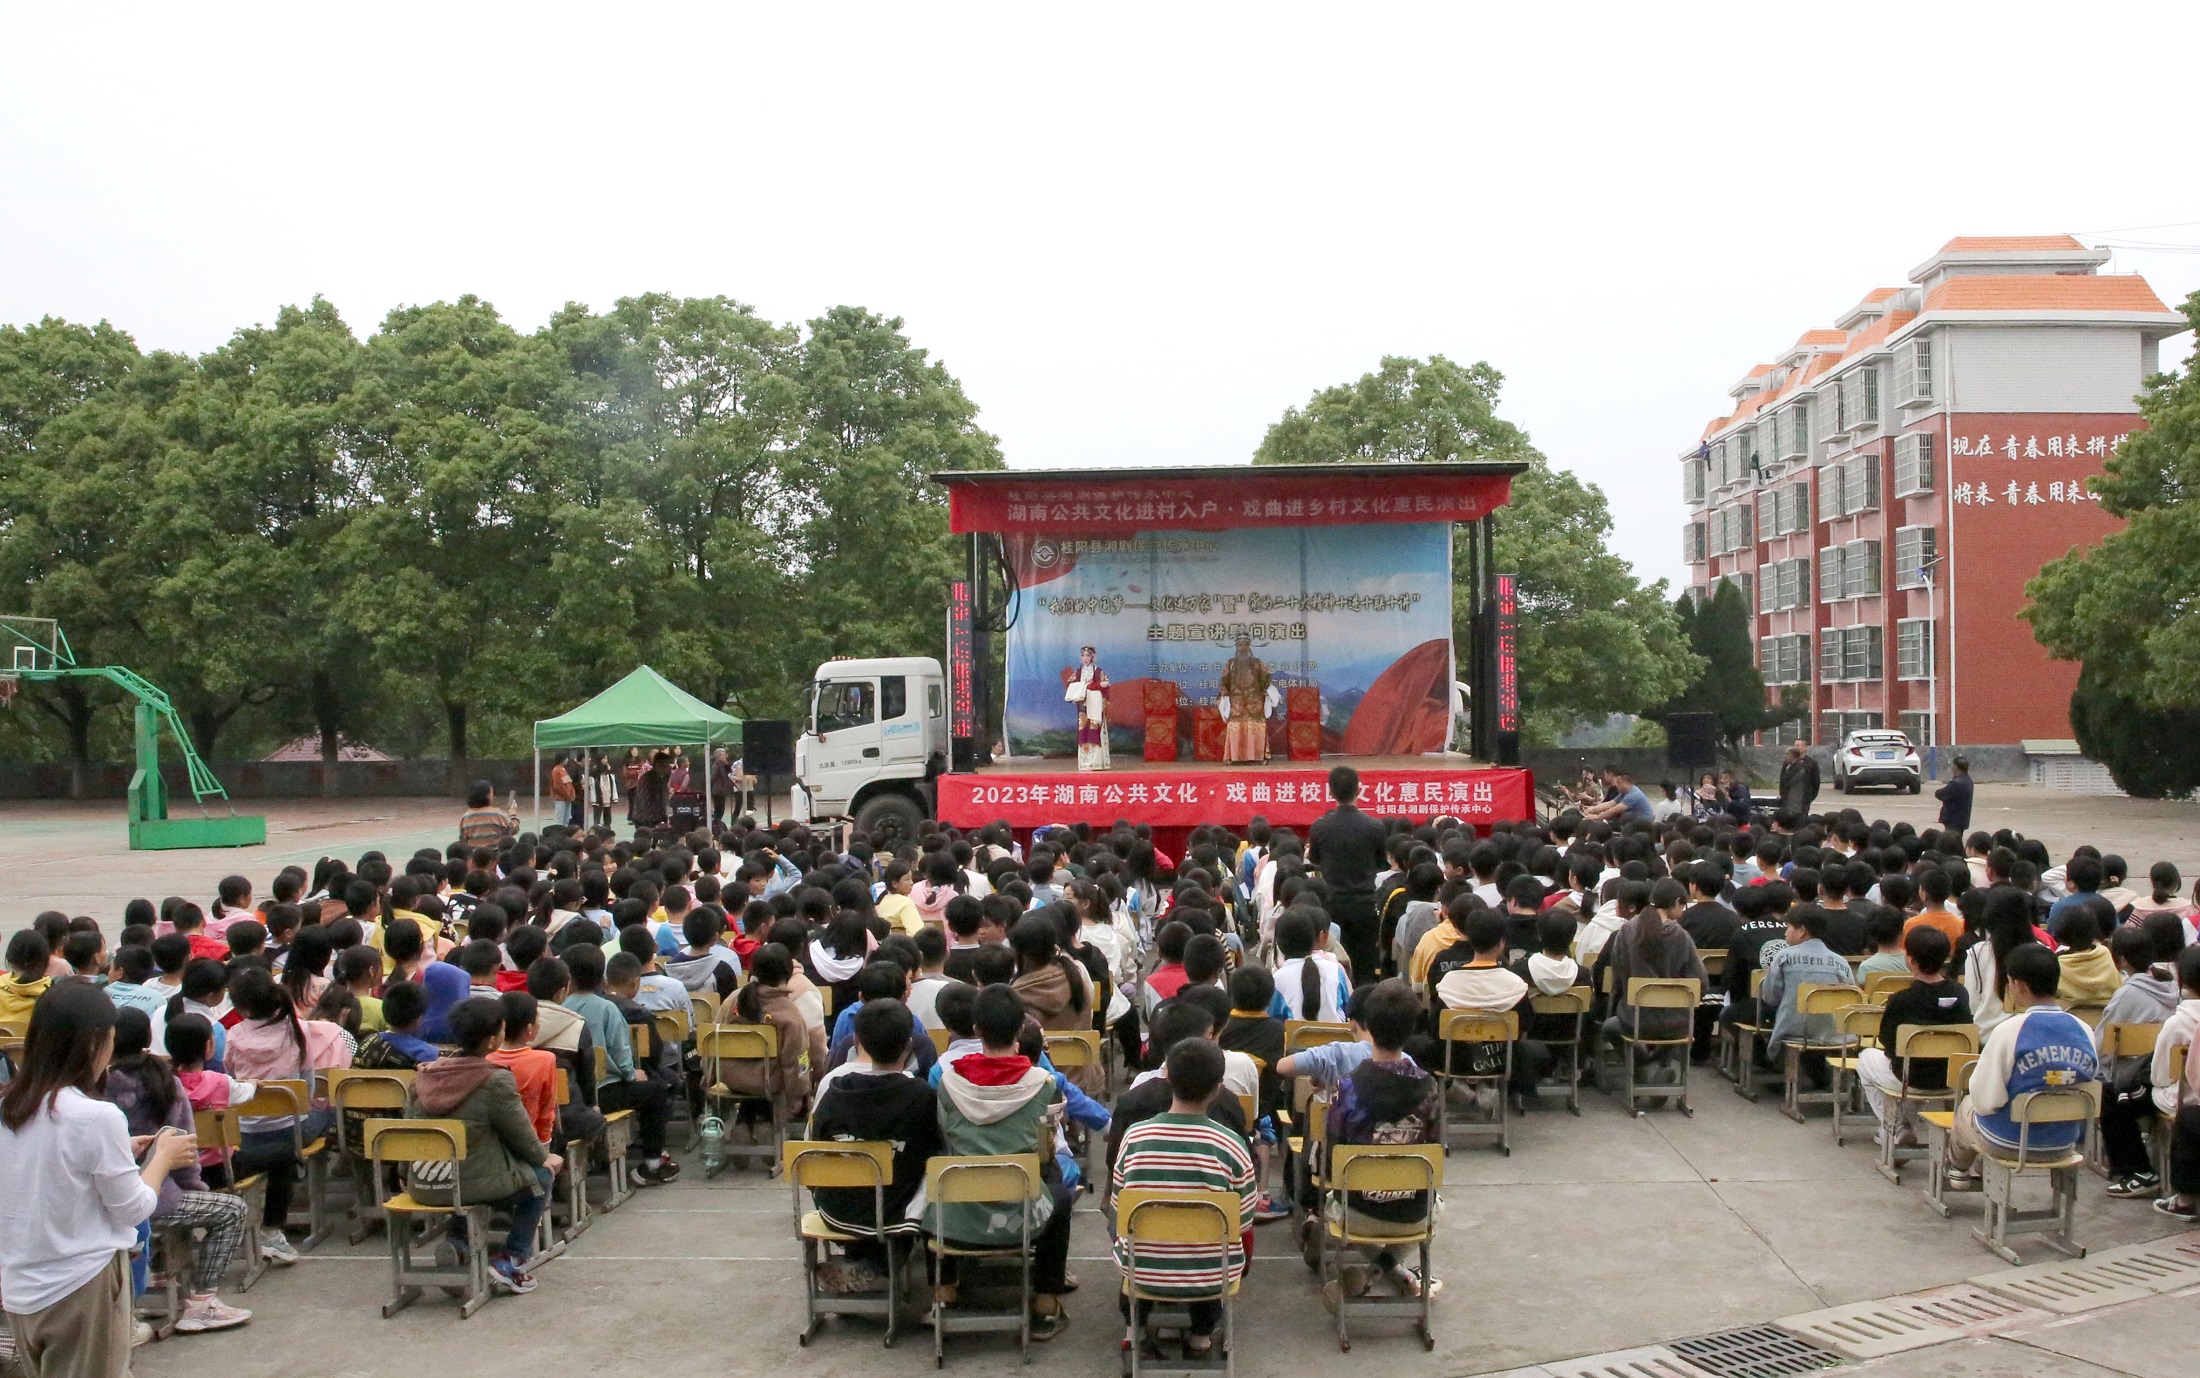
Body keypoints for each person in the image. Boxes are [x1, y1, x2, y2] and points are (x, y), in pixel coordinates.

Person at [0, 982, 202, 1378]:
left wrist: (119, 1151)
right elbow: (133, 1208)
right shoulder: (95, 1116)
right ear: (94, 1043)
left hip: (22, 1284)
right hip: (81, 1284)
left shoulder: (10, 1105)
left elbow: (40, 1167)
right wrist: (162, 1158)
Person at [928, 984, 1071, 1341]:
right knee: (1061, 1193)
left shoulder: (948, 1082)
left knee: (929, 1179)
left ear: (976, 1030)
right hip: (1022, 1210)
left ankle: (944, 1291)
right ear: (1020, 1031)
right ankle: (1045, 1303)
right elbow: (1046, 1149)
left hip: (957, 1211)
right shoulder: (1043, 1084)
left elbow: (945, 1137)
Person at [96, 1010, 252, 1333]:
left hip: (105, 1201)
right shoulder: (165, 1082)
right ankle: (202, 1300)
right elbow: (184, 1153)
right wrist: (197, 1188)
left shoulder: (95, 1084)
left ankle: (156, 1279)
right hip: (157, 1196)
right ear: (149, 1039)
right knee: (233, 1210)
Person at [1110, 1037, 1257, 1359]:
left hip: (1143, 1271)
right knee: (1222, 1248)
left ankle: (1134, 1332)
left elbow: (1119, 1208)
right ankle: (1201, 1337)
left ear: (1167, 1080)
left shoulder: (1135, 1137)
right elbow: (1244, 1218)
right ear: (1219, 1087)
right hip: (1211, 1273)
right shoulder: (1231, 1144)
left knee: (1136, 1251)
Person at [405, 996, 560, 1295]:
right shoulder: (495, 1081)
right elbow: (523, 1139)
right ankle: (511, 1259)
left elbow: (409, 1131)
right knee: (539, 1178)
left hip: (423, 1181)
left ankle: (458, 1244)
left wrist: (404, 1173)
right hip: (470, 1183)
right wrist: (546, 1158)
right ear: (492, 1040)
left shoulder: (424, 1075)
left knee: (479, 1167)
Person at [802, 999, 942, 1295]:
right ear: (909, 1045)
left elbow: (810, 1151)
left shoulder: (833, 1089)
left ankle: (866, 1264)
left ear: (857, 1041)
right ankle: (884, 1269)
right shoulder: (921, 1096)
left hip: (834, 1208)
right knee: (935, 1174)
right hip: (895, 1213)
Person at [1320, 979, 1442, 1306]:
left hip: (1358, 1209)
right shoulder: (1429, 1088)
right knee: (1434, 1204)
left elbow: (1333, 1157)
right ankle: (1396, 1272)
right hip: (1414, 1209)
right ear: (1411, 1029)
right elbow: (1436, 1150)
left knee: (1330, 1203)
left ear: (1368, 1025)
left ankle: (1374, 1272)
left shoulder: (1347, 1087)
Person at [1944, 943, 2100, 1193]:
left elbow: (1986, 1100)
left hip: (2009, 1142)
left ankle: (1958, 1170)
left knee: (1966, 1108)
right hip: (2064, 1143)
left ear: (2019, 986)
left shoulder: (2008, 1030)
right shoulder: (2084, 1029)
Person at [1855, 927, 1971, 1143]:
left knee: (1865, 1059)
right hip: (1950, 1077)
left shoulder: (1901, 999)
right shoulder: (1960, 994)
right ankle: (1900, 1126)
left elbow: (1887, 1042)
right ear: (1946, 957)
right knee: (1909, 1064)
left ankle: (1895, 1126)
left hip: (1908, 1076)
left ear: (1910, 959)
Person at [2096, 927, 2181, 1197]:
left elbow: (2104, 1044)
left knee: (2108, 1096)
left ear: (2121, 960)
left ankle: (2137, 1170)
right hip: (2168, 1073)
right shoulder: (2170, 985)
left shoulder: (2127, 994)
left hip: (2134, 1078)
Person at [1599, 878, 1708, 1080]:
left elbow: (1618, 974)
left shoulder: (1627, 931)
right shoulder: (1682, 936)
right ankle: (1657, 1066)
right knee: (1672, 1029)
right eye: (1682, 905)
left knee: (1610, 1027)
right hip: (1676, 1021)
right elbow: (1700, 981)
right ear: (1675, 902)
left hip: (1635, 1018)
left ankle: (1643, 1069)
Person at [1310, 766, 1387, 980]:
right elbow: (1381, 864)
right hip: (1365, 905)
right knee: (1364, 970)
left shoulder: (1320, 827)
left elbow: (1315, 860)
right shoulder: (1375, 827)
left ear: (1331, 792)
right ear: (1359, 790)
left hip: (1332, 906)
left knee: (1331, 969)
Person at [1217, 635, 1272, 764]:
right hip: (1236, 703)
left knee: (1256, 728)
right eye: (1240, 645)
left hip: (1255, 702)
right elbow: (1224, 680)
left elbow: (1267, 676)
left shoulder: (1257, 663)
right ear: (1236, 647)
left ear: (1249, 646)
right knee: (1236, 728)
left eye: (1245, 645)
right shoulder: (1230, 664)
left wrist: (1263, 689)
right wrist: (1224, 691)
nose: (1243, 648)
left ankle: (1258, 757)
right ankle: (1234, 757)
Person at [1065, 645, 1112, 772]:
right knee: (1083, 729)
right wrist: (1081, 688)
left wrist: (1094, 686)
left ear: (1092, 657)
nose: (1085, 658)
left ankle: (1097, 762)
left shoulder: (1098, 671)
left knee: (1094, 728)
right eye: (1083, 655)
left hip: (1095, 704)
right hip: (1083, 705)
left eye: (1088, 655)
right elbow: (1070, 684)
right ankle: (1085, 762)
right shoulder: (1078, 672)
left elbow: (1106, 683)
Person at [458, 779, 518, 850]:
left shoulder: (466, 818)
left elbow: (463, 841)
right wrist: (513, 814)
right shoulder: (498, 814)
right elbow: (514, 829)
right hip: (495, 857)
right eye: (492, 792)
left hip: (476, 858)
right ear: (487, 795)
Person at [1777, 741, 1820, 819]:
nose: (1796, 747)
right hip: (1788, 799)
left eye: (1798, 745)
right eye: (1795, 745)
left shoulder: (1812, 763)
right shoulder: (1788, 763)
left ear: (1805, 748)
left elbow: (1816, 782)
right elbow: (1783, 780)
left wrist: (1810, 797)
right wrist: (1782, 793)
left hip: (1804, 799)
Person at [1935, 755, 1974, 832]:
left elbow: (1941, 794)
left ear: (1956, 767)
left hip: (1953, 820)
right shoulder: (1968, 780)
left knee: (1951, 841)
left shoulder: (1956, 783)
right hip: (1962, 819)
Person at [586, 749, 619, 831]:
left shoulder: (609, 769)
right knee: (597, 813)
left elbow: (613, 782)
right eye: (604, 758)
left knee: (607, 813)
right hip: (598, 795)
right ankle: (596, 828)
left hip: (607, 794)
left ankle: (607, 828)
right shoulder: (594, 770)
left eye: (606, 758)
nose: (606, 760)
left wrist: (614, 796)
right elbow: (592, 784)